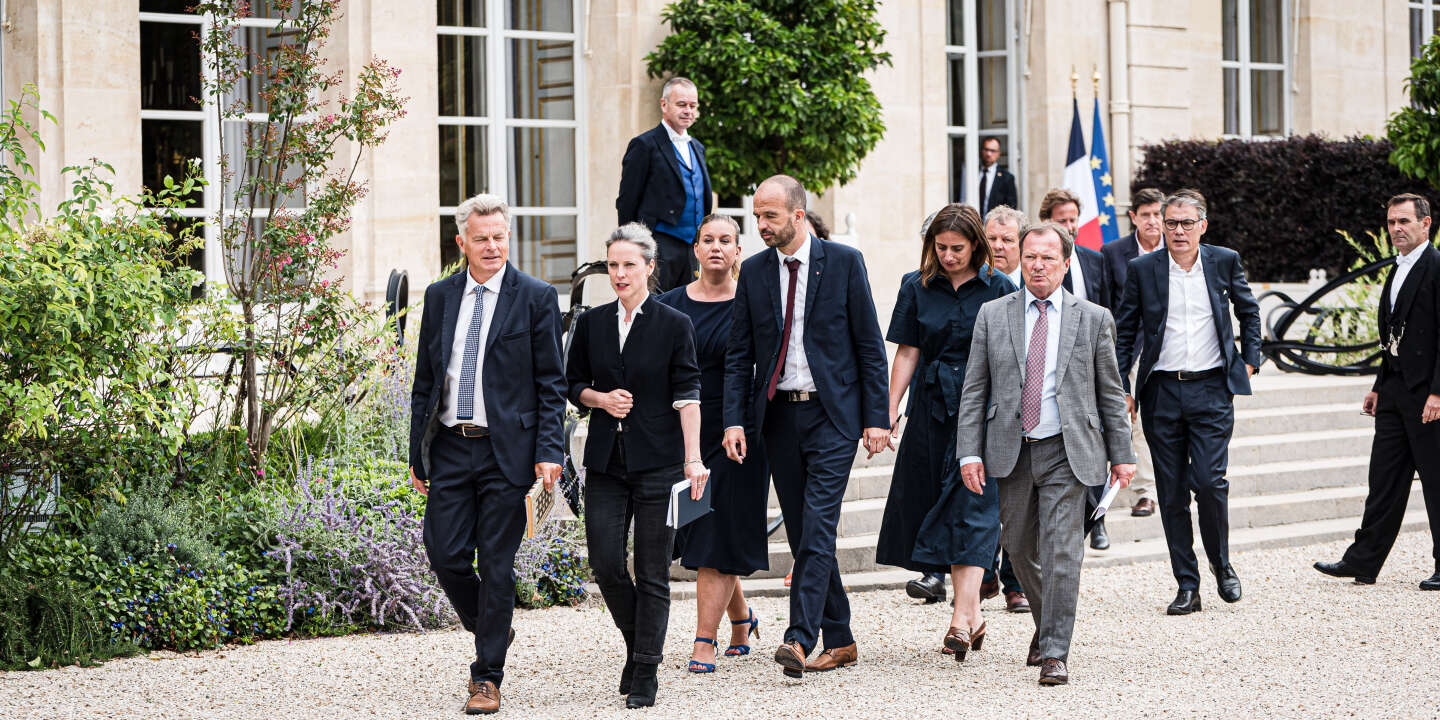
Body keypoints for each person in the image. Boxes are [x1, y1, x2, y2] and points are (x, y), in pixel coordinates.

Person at [723, 174, 890, 679]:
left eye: (769, 216)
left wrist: (877, 418)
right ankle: (841, 639)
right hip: (777, 417)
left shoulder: (843, 263)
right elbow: (739, 355)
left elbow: (868, 344)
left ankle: (799, 636)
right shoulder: (752, 272)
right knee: (803, 533)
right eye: (756, 216)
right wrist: (734, 419)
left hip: (833, 415)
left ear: (798, 215)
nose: (760, 225)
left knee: (817, 527)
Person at [956, 221, 1137, 685]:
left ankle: (1055, 650)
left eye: (1048, 258)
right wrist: (968, 453)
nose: (1037, 265)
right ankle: (1047, 621)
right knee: (1018, 550)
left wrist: (1123, 454)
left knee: (1061, 553)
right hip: (1010, 448)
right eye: (1030, 256)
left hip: (1068, 449)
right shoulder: (993, 314)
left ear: (1065, 262)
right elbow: (975, 389)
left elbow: (1111, 393)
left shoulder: (1093, 317)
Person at [407, 193, 567, 715]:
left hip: (509, 453)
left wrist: (549, 451)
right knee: (444, 552)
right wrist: (418, 452)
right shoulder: (439, 296)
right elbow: (425, 382)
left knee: (497, 565)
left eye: (500, 236)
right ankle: (494, 624)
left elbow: (551, 383)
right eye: (482, 238)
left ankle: (486, 677)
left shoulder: (536, 297)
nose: (493, 245)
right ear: (462, 243)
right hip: (452, 447)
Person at [565, 224, 708, 709]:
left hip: (661, 465)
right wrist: (600, 399)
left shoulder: (673, 324)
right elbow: (572, 385)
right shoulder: (593, 323)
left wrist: (693, 459)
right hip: (606, 463)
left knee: (652, 572)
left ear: (650, 267)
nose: (620, 273)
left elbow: (689, 396)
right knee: (605, 563)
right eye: (613, 265)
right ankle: (638, 645)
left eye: (629, 264)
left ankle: (646, 668)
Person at [876, 203, 1016, 661]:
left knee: (974, 508)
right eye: (941, 248)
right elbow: (907, 353)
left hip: (984, 410)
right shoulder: (916, 287)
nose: (950, 256)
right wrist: (888, 411)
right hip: (932, 408)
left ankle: (960, 617)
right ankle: (972, 616)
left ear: (976, 245)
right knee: (941, 506)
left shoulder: (1000, 288)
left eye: (958, 248)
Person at [1114, 189, 1262, 616]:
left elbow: (1250, 312)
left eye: (1186, 223)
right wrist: (1123, 387)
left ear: (1203, 225)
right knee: (1172, 492)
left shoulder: (1223, 260)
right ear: (1161, 224)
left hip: (1212, 390)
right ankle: (1186, 584)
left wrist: (1250, 361)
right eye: (1171, 223)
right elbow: (1125, 332)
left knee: (1212, 483)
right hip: (1161, 392)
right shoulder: (1143, 269)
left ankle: (1222, 563)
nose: (1178, 231)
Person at [657, 215, 770, 673]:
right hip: (685, 433)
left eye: (727, 240)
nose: (717, 247)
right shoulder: (668, 305)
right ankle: (741, 617)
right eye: (709, 240)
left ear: (738, 251)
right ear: (696, 249)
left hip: (737, 432)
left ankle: (704, 640)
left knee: (716, 531)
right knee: (698, 532)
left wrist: (741, 422)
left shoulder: (755, 306)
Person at [1315, 193, 1440, 590]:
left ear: (1426, 224)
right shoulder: (1396, 268)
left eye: (1404, 221)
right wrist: (1377, 385)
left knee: (1437, 481)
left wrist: (1438, 393)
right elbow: (1393, 335)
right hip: (1394, 391)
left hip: (1428, 396)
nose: (1396, 229)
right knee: (1383, 480)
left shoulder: (1437, 267)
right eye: (1391, 223)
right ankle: (1363, 562)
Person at [1038, 187, 1113, 550]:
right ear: (1046, 222)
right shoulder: (1037, 266)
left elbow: (1110, 310)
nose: (1069, 226)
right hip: (1049, 363)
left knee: (1093, 436)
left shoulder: (1094, 259)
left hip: (1090, 362)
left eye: (1072, 220)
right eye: (1060, 220)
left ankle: (1097, 518)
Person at [977, 204, 1032, 613]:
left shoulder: (1036, 285)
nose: (998, 246)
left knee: (1018, 500)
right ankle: (984, 569)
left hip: (1023, 409)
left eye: (1007, 240)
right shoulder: (975, 284)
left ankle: (1015, 582)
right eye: (991, 238)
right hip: (982, 406)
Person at [1100, 187, 1166, 517]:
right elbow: (1107, 306)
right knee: (1134, 420)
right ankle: (1145, 492)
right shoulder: (1112, 253)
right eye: (1146, 215)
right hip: (1131, 350)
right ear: (1133, 217)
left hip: (1173, 350)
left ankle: (1164, 484)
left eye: (1158, 214)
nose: (1153, 221)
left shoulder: (1180, 248)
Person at [616, 77, 713, 292]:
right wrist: (630, 248)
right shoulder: (644, 145)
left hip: (691, 246)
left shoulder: (697, 147)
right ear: (664, 105)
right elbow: (627, 200)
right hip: (658, 244)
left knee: (689, 305)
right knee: (658, 309)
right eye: (681, 104)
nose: (688, 110)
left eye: (693, 106)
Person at [976, 137, 1019, 214]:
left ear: (998, 154)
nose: (988, 154)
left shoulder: (1007, 178)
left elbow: (1011, 207)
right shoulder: (972, 173)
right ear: (981, 151)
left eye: (992, 151)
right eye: (986, 149)